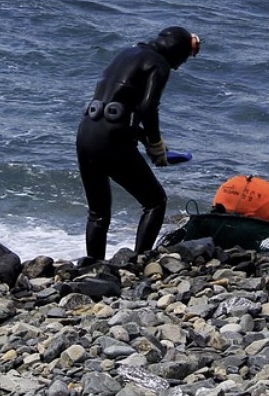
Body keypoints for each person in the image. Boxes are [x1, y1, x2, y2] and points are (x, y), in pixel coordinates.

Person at [76, 25, 200, 262]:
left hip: (87, 132)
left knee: (98, 213)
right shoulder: (159, 63)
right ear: (177, 51)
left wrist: (145, 140)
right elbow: (147, 107)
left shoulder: (126, 53)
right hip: (112, 137)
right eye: (184, 58)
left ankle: (93, 266)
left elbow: (117, 108)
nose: (180, 65)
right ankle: (139, 261)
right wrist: (155, 144)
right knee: (155, 202)